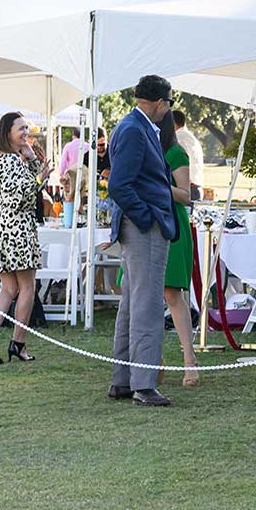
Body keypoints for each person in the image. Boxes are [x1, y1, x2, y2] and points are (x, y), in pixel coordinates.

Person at [105, 76, 180, 404]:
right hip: (143, 227)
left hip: (137, 226)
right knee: (147, 305)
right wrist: (146, 216)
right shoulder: (136, 129)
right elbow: (119, 185)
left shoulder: (132, 125)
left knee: (132, 305)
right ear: (161, 102)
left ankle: (123, 380)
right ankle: (144, 385)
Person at [0, 111, 44, 366]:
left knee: (8, 288)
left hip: (1, 228)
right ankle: (18, 343)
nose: (26, 132)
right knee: (27, 287)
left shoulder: (1, 160)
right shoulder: (9, 161)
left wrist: (33, 162)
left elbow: (26, 185)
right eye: (21, 128)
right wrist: (39, 174)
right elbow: (23, 196)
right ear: (7, 133)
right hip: (17, 228)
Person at [159, 112, 202, 387]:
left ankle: (190, 361)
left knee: (173, 293)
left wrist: (159, 185)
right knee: (144, 298)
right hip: (145, 225)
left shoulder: (176, 153)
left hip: (172, 225)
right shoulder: (142, 150)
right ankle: (153, 360)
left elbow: (186, 196)